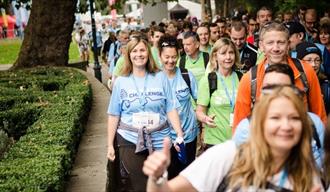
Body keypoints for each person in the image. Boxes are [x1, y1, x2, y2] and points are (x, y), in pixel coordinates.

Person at [143, 86, 324, 191]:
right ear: (259, 123)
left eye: (294, 118)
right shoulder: (230, 155)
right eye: (275, 118)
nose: (286, 126)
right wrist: (156, 178)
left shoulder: (309, 174)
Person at [107, 37, 184, 191]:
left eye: (142, 50)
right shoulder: (121, 82)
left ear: (148, 53)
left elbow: (170, 108)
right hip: (129, 139)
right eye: (134, 51)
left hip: (160, 138)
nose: (139, 54)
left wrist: (179, 134)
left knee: (161, 182)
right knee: (140, 185)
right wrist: (110, 144)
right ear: (128, 55)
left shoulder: (161, 77)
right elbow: (114, 114)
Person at [233, 22, 327, 129]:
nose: (276, 48)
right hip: (264, 142)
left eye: (280, 42)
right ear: (261, 46)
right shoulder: (250, 79)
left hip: (301, 139)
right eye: (270, 43)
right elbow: (240, 125)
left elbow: (319, 114)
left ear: (288, 45)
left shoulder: (305, 71)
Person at [233, 64, 325, 168]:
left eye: (281, 88)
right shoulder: (246, 128)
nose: (273, 93)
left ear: (293, 89)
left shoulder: (313, 123)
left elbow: (324, 167)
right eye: (268, 88)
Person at [158, 35, 199, 179]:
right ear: (159, 55)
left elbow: (199, 101)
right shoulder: (154, 79)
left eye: (174, 57)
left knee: (187, 177)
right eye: (167, 57)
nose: (170, 61)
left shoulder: (187, 75)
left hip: (188, 137)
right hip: (164, 139)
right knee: (167, 178)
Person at [196, 38, 241, 147]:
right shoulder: (208, 79)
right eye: (223, 53)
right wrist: (205, 119)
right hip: (215, 140)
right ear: (215, 56)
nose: (228, 57)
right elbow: (199, 111)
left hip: (238, 139)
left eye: (231, 53)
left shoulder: (241, 78)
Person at [296, 42, 330, 114]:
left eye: (317, 60)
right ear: (299, 62)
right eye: (309, 60)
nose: (314, 64)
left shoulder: (326, 84)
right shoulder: (293, 82)